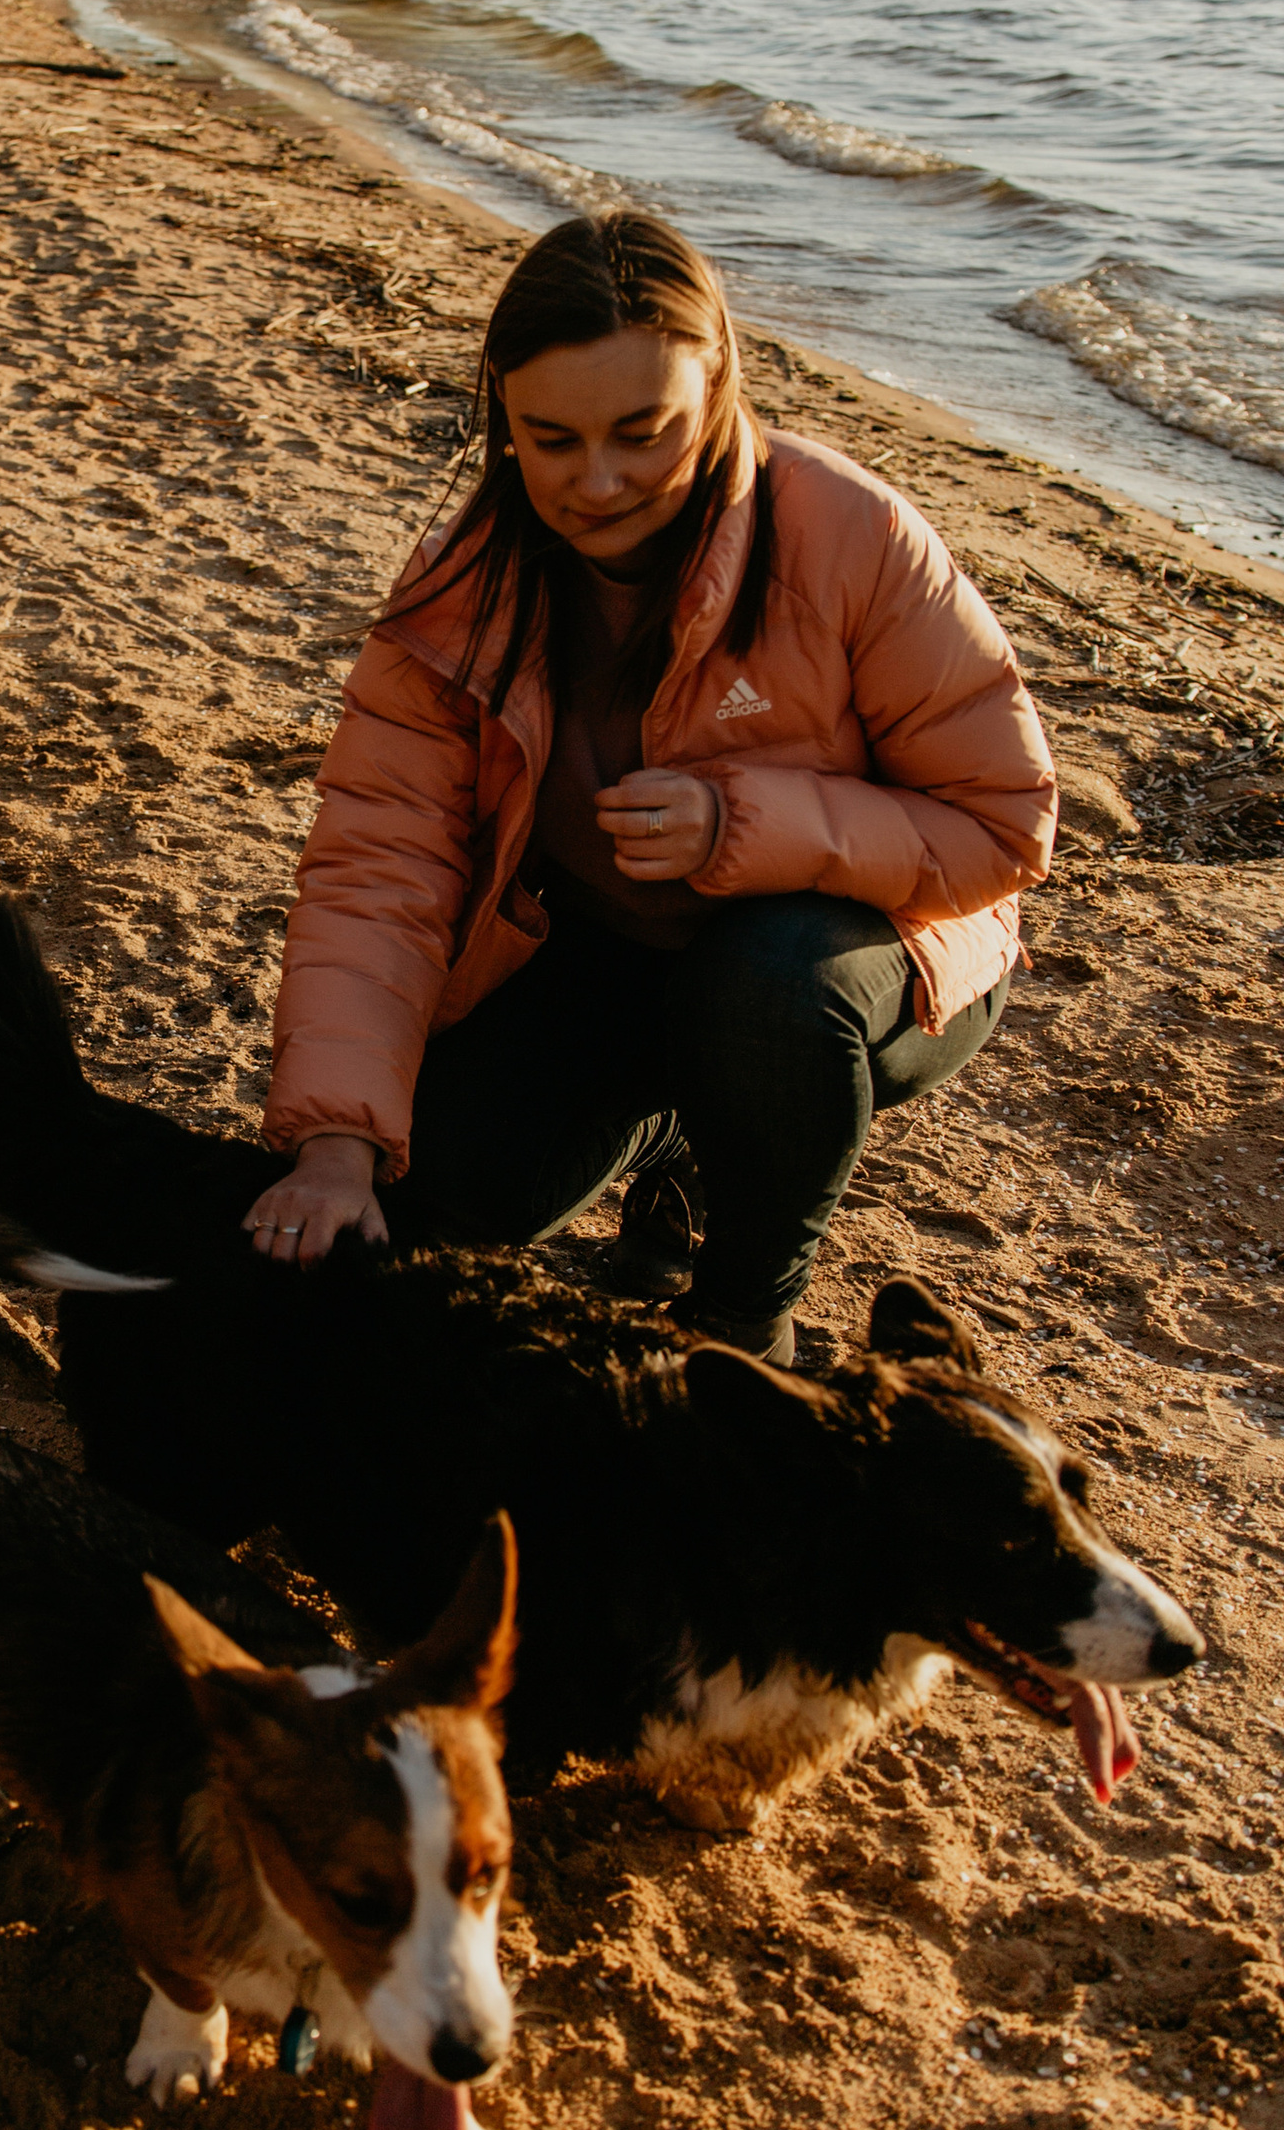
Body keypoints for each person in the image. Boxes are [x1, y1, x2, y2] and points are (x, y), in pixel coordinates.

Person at [246, 208, 1055, 1362]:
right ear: (503, 414)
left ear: (719, 381)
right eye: (551, 438)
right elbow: (382, 857)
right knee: (430, 1206)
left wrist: (743, 825)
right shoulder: (457, 592)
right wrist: (336, 1139)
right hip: (611, 955)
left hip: (860, 959)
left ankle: (742, 1318)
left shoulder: (853, 533)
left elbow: (1004, 824)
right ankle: (677, 1135)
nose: (597, 481)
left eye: (643, 431)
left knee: (764, 990)